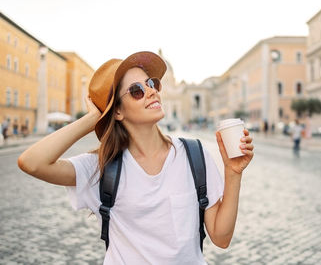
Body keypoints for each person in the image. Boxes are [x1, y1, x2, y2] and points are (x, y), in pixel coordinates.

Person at [18, 51, 254, 264]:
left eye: (152, 83)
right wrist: (93, 119)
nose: (151, 91)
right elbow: (32, 162)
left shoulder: (194, 154)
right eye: (137, 91)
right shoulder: (102, 168)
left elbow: (221, 239)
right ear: (117, 111)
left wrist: (233, 173)